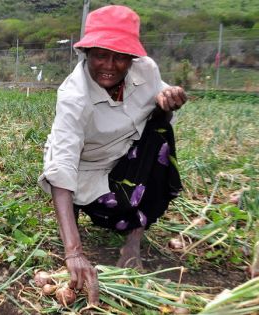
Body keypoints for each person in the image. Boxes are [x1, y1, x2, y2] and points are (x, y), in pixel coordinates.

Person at [38, 5, 187, 305]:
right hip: (88, 169)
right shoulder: (74, 97)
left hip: (126, 156)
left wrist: (167, 103)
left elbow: (159, 114)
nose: (109, 64)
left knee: (161, 134)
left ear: (132, 58)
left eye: (120, 56)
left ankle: (133, 242)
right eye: (100, 55)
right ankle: (89, 214)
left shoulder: (147, 70)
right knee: (108, 208)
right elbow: (62, 167)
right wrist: (74, 252)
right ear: (87, 53)